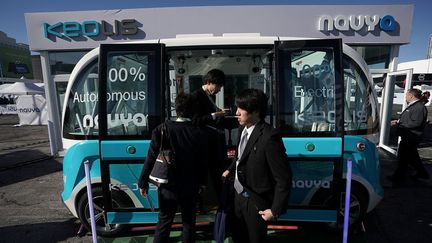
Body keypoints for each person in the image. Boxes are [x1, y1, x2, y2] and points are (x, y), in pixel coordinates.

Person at [222, 89, 292, 243]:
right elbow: (240, 156)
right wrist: (229, 169)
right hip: (237, 197)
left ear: (255, 112)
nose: (237, 113)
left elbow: (283, 178)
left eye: (242, 109)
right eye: (237, 108)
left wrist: (275, 210)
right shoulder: (242, 129)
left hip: (256, 202)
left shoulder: (269, 137)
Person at [138, 93, 209, 243]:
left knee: (164, 220)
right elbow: (202, 161)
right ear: (192, 110)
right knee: (189, 221)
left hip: (167, 184)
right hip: (190, 183)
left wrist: (142, 182)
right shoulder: (199, 132)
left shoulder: (161, 129)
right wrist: (203, 183)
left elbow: (151, 157)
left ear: (176, 109)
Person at [191, 69, 229, 207]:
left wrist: (218, 113)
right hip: (204, 145)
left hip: (211, 144)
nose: (219, 90)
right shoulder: (196, 96)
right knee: (206, 177)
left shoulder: (207, 96)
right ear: (209, 82)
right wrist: (215, 115)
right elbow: (194, 121)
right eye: (218, 86)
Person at [389, 88, 429, 182]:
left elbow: (416, 123)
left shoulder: (419, 107)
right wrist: (399, 121)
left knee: (403, 158)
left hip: (411, 137)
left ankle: (399, 177)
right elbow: (410, 119)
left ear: (411, 96)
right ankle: (422, 174)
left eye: (407, 95)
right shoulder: (414, 106)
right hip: (408, 137)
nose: (405, 97)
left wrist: (400, 124)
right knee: (412, 158)